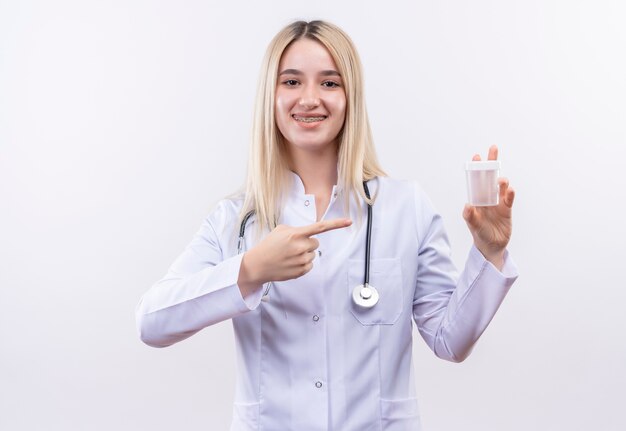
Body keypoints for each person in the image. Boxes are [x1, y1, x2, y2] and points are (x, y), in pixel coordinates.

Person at [136, 19, 518, 431]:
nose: (310, 98)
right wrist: (249, 271)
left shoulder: (406, 207)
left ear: (351, 96)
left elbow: (450, 341)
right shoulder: (235, 219)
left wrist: (489, 252)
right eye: (292, 82)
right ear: (271, 95)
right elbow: (152, 323)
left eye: (330, 83)